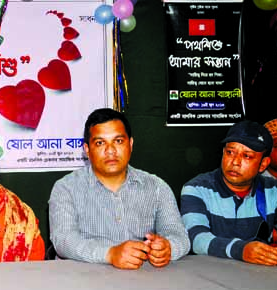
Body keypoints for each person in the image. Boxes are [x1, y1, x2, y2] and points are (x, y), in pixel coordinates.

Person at [49, 108, 190, 269]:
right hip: (84, 283)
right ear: (87, 150)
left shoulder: (157, 188)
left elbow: (180, 236)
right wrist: (109, 254)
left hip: (144, 281)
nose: (110, 151)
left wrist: (168, 247)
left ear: (130, 144)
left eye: (118, 141)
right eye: (100, 143)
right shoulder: (65, 188)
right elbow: (63, 240)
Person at [181, 120, 277, 265]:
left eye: (247, 156)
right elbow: (196, 239)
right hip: (208, 277)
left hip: (258, 279)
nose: (235, 162)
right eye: (230, 152)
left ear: (263, 164)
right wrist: (242, 250)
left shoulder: (274, 191)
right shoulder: (197, 188)